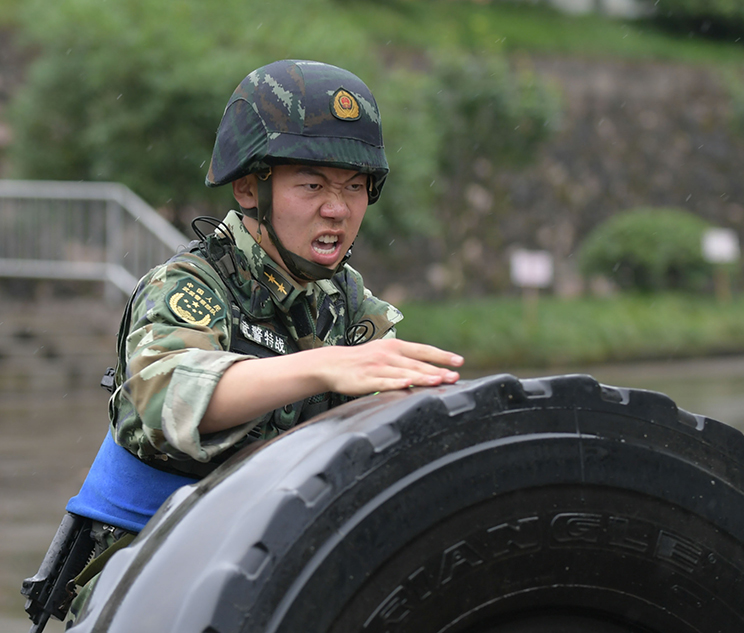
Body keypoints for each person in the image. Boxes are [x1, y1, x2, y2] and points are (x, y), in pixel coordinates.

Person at [22, 59, 463, 631]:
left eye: (355, 187)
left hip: (275, 564)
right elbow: (166, 395)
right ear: (250, 188)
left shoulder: (346, 303)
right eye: (312, 185)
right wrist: (323, 367)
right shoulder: (190, 285)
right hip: (149, 574)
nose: (338, 208)